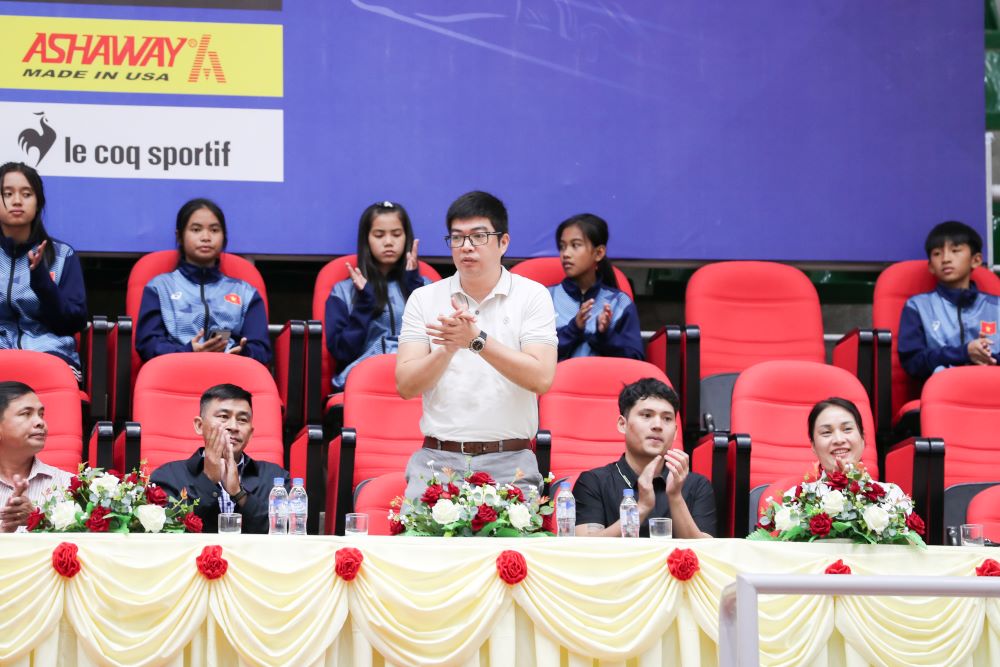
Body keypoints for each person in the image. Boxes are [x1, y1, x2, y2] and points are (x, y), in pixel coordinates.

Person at [396, 191, 558, 498]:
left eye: (478, 236)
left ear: (503, 242)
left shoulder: (532, 296)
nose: (466, 246)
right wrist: (447, 348)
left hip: (511, 461)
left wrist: (476, 341)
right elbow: (405, 385)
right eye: (457, 238)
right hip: (437, 460)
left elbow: (541, 378)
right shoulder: (424, 298)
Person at [572, 378, 715, 538]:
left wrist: (675, 497)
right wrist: (641, 508)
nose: (658, 425)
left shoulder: (696, 485)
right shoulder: (593, 482)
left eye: (667, 418)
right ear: (622, 424)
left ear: (675, 432)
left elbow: (706, 549)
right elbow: (586, 546)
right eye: (647, 415)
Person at [136, 198, 271, 366]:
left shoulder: (245, 293)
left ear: (224, 237)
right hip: (175, 371)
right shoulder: (159, 288)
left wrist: (243, 353)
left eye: (214, 230)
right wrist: (188, 351)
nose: (206, 237)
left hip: (231, 372)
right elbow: (148, 344)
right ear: (179, 236)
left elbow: (261, 348)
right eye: (196, 229)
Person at [150, 383, 288, 534]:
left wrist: (239, 494)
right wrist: (207, 480)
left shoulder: (276, 479)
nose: (233, 426)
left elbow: (291, 529)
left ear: (250, 433)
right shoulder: (167, 476)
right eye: (223, 417)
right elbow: (163, 532)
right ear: (199, 425)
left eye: (242, 419)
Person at [325, 201, 430, 391]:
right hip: (361, 383)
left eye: (396, 234)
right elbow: (342, 352)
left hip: (417, 380)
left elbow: (438, 342)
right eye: (379, 235)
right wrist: (365, 303)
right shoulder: (343, 291)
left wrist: (414, 288)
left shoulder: (426, 287)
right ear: (366, 240)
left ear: (406, 237)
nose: (388, 242)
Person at [0, 162, 88, 382]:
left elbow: (72, 323)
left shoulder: (62, 255)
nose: (17, 201)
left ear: (38, 202)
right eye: (7, 194)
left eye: (26, 194)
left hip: (49, 355)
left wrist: (41, 282)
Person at [898, 221, 999, 379]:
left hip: (991, 387)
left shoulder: (996, 306)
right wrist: (964, 353)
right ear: (931, 266)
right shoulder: (917, 307)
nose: (945, 259)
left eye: (955, 250)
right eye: (937, 253)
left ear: (976, 260)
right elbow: (913, 362)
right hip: (941, 389)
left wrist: (987, 356)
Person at [549, 213, 643, 360]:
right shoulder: (545, 298)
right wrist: (573, 329)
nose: (566, 254)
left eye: (575, 245)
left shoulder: (620, 303)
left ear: (599, 253)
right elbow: (533, 355)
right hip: (557, 376)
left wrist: (605, 336)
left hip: (606, 376)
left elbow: (635, 360)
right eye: (562, 246)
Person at [0, 381, 72, 532]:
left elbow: (83, 542)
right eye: (26, 414)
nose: (40, 422)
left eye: (41, 414)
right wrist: (4, 532)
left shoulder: (69, 486)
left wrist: (38, 521)